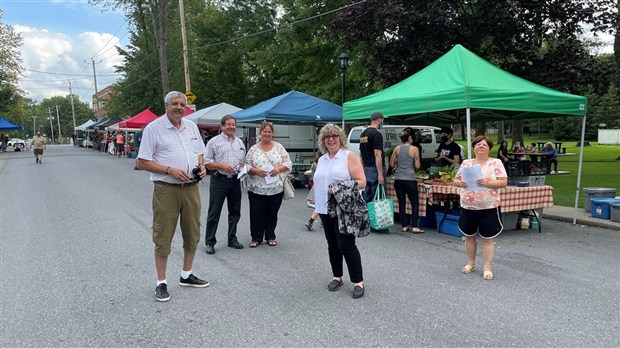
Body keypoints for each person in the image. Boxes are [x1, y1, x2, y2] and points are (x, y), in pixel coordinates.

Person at [136, 91, 209, 302]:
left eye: (182, 104)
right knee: (163, 234)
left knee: (192, 231)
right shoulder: (153, 129)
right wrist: (169, 170)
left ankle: (186, 274)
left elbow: (200, 153)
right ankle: (161, 282)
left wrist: (202, 167)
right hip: (166, 188)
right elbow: (142, 161)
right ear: (166, 106)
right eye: (174, 103)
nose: (179, 107)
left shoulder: (192, 127)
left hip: (191, 188)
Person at [313, 123, 367, 299]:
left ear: (340, 138)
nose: (330, 139)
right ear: (323, 140)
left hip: (344, 209)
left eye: (334, 136)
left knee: (346, 245)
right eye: (327, 136)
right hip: (323, 207)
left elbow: (362, 181)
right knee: (332, 244)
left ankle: (358, 281)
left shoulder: (348, 157)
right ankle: (337, 276)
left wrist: (338, 187)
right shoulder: (322, 159)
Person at [452, 135, 508, 281]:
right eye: (478, 144)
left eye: (484, 145)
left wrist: (488, 182)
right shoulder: (466, 163)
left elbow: (503, 182)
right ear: (473, 147)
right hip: (468, 206)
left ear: (489, 148)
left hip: (488, 206)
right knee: (469, 236)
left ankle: (487, 268)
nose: (481, 146)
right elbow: (456, 180)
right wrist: (460, 183)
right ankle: (471, 263)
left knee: (487, 238)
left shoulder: (496, 162)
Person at [244, 122, 292, 247]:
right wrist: (255, 171)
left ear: (272, 133)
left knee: (272, 213)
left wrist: (278, 169)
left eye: (269, 132)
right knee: (256, 213)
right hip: (256, 188)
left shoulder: (279, 147)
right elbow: (246, 165)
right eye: (264, 131)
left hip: (275, 187)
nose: (266, 134)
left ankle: (270, 236)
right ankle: (256, 238)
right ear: (260, 133)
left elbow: (288, 162)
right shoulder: (254, 149)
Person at [204, 115, 246, 255]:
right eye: (228, 124)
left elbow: (243, 160)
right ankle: (210, 242)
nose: (231, 127)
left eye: (233, 124)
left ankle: (232, 238)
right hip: (219, 179)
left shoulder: (239, 142)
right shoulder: (213, 142)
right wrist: (221, 165)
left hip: (235, 180)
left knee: (235, 211)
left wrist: (241, 167)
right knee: (214, 212)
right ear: (222, 126)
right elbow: (207, 162)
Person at [389, 128, 423, 233]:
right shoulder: (414, 149)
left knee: (401, 202)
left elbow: (391, 164)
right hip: (410, 179)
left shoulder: (397, 148)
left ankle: (404, 226)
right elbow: (417, 166)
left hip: (398, 179)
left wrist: (397, 163)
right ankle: (415, 226)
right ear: (409, 138)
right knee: (414, 203)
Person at [304, 151, 322, 231]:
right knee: (323, 205)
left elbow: (312, 175)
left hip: (317, 186)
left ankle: (311, 221)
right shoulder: (325, 164)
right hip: (324, 187)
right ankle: (312, 221)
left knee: (320, 205)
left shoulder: (314, 165)